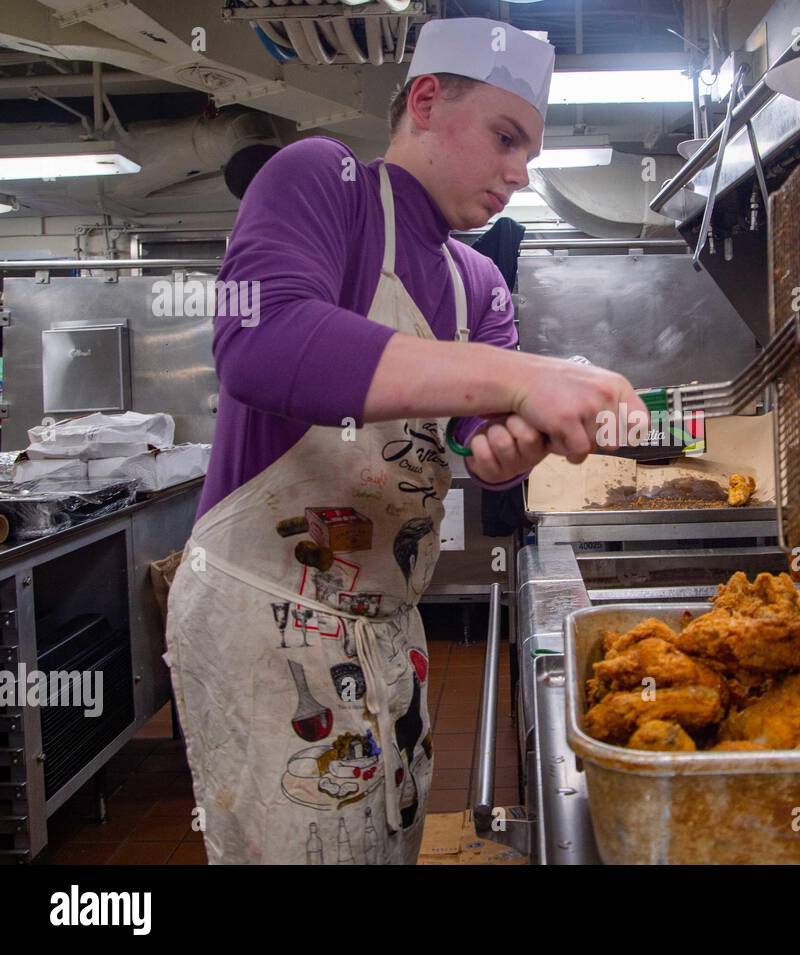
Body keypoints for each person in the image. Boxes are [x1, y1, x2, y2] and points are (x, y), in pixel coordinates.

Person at [165, 16, 646, 864]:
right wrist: (521, 380)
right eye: (507, 138)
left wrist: (508, 442)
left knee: (389, 843)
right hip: (269, 618)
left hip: (388, 621)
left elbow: (478, 430)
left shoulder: (478, 281)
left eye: (530, 153)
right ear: (426, 100)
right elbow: (262, 336)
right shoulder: (323, 181)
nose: (518, 172)